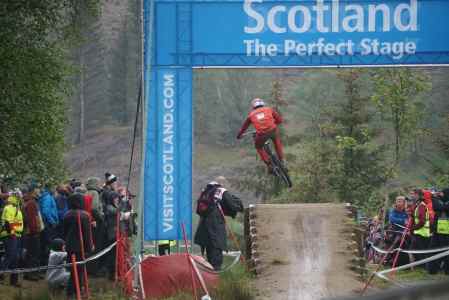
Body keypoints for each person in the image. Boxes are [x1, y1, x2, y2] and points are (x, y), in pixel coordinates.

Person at [194, 181, 243, 270]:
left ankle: (210, 279)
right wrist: (240, 205)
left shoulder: (205, 192)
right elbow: (233, 206)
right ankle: (215, 280)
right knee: (216, 259)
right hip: (215, 230)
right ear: (221, 184)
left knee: (210, 259)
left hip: (204, 231)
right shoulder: (222, 191)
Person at [236, 98, 285, 172]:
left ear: (253, 106)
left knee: (258, 147)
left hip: (262, 134)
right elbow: (280, 120)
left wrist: (239, 135)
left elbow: (244, 127)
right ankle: (282, 160)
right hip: (273, 130)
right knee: (277, 142)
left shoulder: (251, 115)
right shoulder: (269, 109)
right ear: (263, 103)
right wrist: (273, 123)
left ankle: (269, 165)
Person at [63, 193, 94, 297]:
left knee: (73, 270)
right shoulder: (84, 215)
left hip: (70, 246)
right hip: (80, 247)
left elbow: (63, 231)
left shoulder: (67, 215)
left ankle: (74, 291)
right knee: (79, 270)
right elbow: (87, 233)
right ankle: (75, 291)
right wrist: (89, 246)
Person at [0, 193, 24, 286]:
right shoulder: (9, 208)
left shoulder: (16, 208)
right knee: (10, 256)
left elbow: (17, 223)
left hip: (16, 235)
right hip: (10, 235)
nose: (21, 198)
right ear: (16, 198)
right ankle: (1, 274)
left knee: (15, 257)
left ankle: (14, 280)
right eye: (20, 197)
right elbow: (7, 223)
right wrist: (13, 233)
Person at [22, 192, 44, 281]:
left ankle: (34, 272)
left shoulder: (30, 203)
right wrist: (35, 231)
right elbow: (32, 219)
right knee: (33, 254)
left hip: (32, 232)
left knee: (33, 253)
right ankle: (31, 274)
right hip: (32, 233)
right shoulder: (31, 204)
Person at [428, 188, 449, 274]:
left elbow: (440, 207)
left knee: (446, 252)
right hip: (438, 231)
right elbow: (436, 208)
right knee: (433, 249)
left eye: (442, 193)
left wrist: (434, 197)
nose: (440, 195)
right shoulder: (441, 202)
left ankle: (447, 270)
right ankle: (432, 270)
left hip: (446, 233)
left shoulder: (444, 204)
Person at [410, 191, 431, 264]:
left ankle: (423, 266)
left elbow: (422, 221)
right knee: (416, 251)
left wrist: (412, 228)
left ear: (420, 196)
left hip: (421, 233)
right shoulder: (417, 206)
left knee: (420, 251)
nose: (412, 196)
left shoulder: (421, 206)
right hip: (419, 232)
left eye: (415, 195)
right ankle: (420, 265)